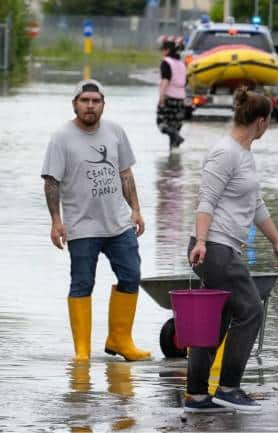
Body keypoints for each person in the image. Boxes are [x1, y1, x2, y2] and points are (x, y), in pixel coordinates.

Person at [184, 88, 278, 413]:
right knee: (251, 311)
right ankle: (229, 387)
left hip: (222, 247)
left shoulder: (244, 154)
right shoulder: (225, 152)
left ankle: (198, 396)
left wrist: (276, 241)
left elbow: (254, 204)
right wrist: (201, 242)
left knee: (216, 320)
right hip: (214, 247)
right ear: (260, 122)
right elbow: (206, 200)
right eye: (269, 121)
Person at [41, 79, 150, 364]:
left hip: (118, 223)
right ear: (75, 104)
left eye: (96, 101)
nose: (90, 106)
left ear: (103, 104)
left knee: (131, 275)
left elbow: (125, 173)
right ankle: (82, 351)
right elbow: (51, 181)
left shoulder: (115, 131)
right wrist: (56, 221)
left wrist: (136, 209)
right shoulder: (61, 137)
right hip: (81, 225)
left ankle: (120, 340)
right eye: (85, 101)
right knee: (82, 283)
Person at [156, 36, 187, 148]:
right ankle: (173, 157)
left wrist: (161, 96)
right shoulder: (182, 64)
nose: (162, 52)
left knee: (161, 123)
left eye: (163, 50)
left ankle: (176, 136)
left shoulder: (166, 62)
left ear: (167, 50)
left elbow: (165, 80)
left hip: (169, 97)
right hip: (181, 99)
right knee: (175, 126)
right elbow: (185, 81)